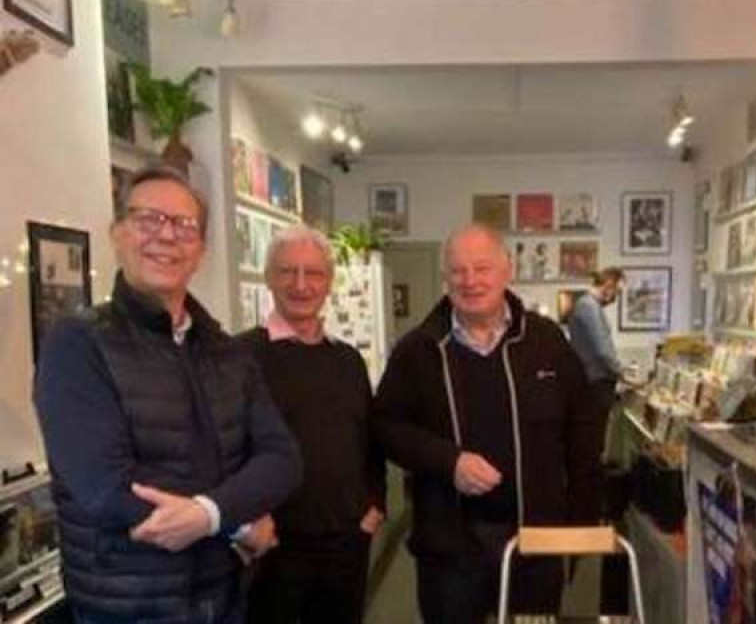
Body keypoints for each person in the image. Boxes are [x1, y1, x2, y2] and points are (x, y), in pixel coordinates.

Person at [33, 166, 303, 624]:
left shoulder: (224, 350)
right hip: (128, 606)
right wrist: (228, 519)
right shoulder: (78, 344)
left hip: (223, 595)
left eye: (184, 225)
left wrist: (211, 512)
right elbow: (104, 488)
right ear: (117, 233)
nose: (166, 236)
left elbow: (282, 458)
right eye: (148, 219)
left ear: (200, 250)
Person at [373, 223, 603, 624]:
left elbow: (582, 428)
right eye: (458, 271)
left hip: (536, 543)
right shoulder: (418, 350)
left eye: (482, 268)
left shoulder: (547, 340)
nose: (471, 281)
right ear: (445, 280)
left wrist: (578, 520)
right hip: (449, 550)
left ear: (506, 270)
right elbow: (386, 427)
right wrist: (449, 461)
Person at [238, 225, 386, 624]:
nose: (301, 285)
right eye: (288, 272)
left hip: (346, 543)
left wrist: (375, 506)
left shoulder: (348, 361)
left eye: (314, 273)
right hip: (272, 549)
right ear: (269, 278)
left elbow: (369, 443)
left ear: (329, 283)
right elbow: (222, 448)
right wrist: (244, 523)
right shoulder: (240, 356)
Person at [567, 267, 625, 452]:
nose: (616, 298)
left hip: (592, 381)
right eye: (617, 292)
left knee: (591, 439)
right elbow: (602, 350)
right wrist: (622, 372)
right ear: (608, 285)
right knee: (592, 441)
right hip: (595, 383)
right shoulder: (589, 306)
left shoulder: (587, 305)